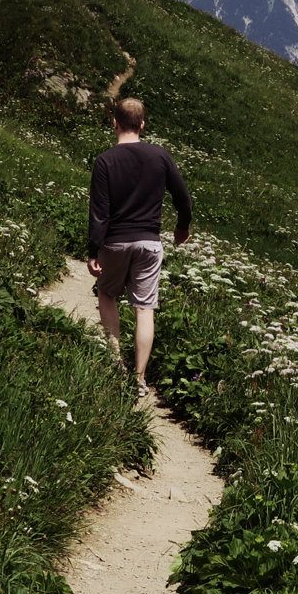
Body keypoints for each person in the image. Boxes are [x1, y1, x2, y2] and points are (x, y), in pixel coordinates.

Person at [86, 95, 192, 391]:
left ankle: (115, 360)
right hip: (149, 242)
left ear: (114, 122)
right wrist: (182, 227)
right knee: (144, 309)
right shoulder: (160, 155)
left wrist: (94, 250)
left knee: (107, 295)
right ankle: (140, 378)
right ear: (142, 125)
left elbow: (99, 212)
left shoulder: (105, 161)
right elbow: (183, 198)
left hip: (115, 243)